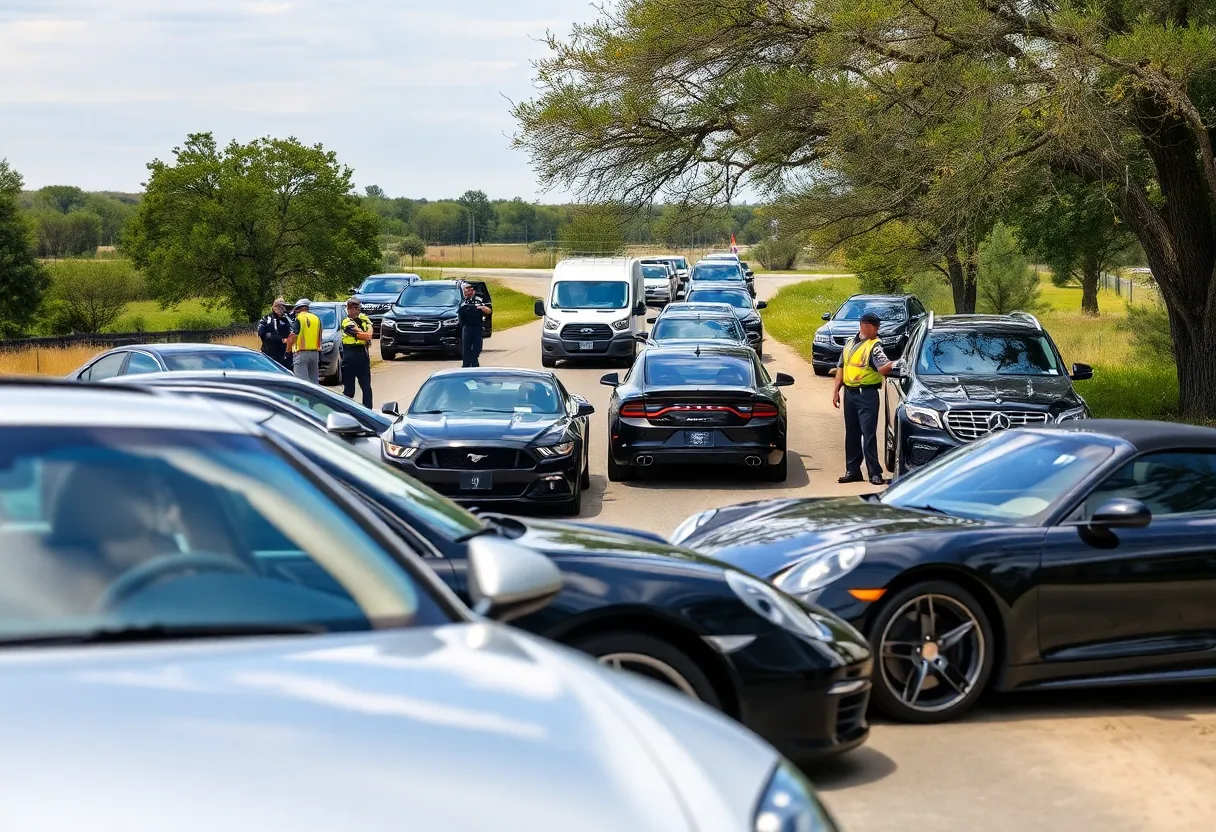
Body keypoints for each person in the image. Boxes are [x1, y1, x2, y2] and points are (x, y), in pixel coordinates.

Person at [832, 311, 895, 486]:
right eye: (875, 327)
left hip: (866, 394)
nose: (877, 330)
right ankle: (852, 471)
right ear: (865, 326)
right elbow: (841, 367)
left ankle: (874, 473)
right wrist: (836, 390)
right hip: (850, 394)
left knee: (868, 434)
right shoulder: (850, 343)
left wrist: (896, 364)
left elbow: (883, 368)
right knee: (851, 434)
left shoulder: (875, 345)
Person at [340, 298, 374, 407]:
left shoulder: (364, 319)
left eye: (354, 307)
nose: (350, 309)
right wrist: (368, 334)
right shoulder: (346, 322)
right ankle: (346, 411)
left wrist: (368, 333)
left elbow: (370, 331)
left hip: (362, 355)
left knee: (366, 387)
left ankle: (368, 412)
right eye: (349, 307)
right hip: (350, 355)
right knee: (349, 391)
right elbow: (364, 335)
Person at [457, 282, 492, 368]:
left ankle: (474, 362)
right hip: (467, 328)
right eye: (466, 290)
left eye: (470, 289)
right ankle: (466, 366)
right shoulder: (462, 301)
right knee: (466, 349)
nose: (468, 291)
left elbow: (489, 311)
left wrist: (482, 308)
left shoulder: (479, 299)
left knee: (477, 348)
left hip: (477, 327)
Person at [286, 298, 322, 383]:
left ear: (298, 308)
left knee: (303, 384)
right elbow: (320, 336)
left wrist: (288, 351)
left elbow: (293, 336)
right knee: (314, 383)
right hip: (315, 354)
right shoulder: (317, 319)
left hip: (301, 354)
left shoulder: (298, 318)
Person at [256, 298, 294, 370]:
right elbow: (263, 334)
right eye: (280, 307)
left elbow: (294, 332)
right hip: (269, 354)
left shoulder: (288, 320)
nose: (283, 309)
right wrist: (282, 340)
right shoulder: (267, 319)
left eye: (284, 307)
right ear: (275, 307)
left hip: (286, 355)